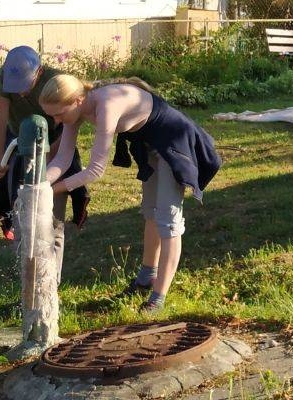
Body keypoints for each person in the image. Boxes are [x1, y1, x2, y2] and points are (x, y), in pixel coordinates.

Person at [39, 74, 221, 313]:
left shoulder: (107, 105)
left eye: (58, 115)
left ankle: (158, 298)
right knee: (150, 213)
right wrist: (40, 184)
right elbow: (62, 159)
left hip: (173, 144)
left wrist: (53, 190)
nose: (56, 121)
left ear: (77, 100)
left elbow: (95, 170)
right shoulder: (75, 112)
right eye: (52, 116)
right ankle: (146, 278)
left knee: (168, 219)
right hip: (149, 145)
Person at [0, 46, 88, 272]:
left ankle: (52, 280)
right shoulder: (4, 77)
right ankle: (27, 275)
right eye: (16, 88)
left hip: (58, 142)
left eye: (25, 86)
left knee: (52, 216)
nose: (21, 94)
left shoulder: (57, 81)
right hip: (19, 143)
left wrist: (47, 163)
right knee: (21, 210)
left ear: (39, 72)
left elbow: (69, 128)